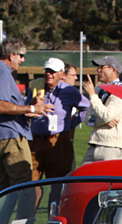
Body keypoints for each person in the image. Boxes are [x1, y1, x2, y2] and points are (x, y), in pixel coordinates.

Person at [0, 38, 50, 202]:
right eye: (21, 56)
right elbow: (0, 106)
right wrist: (31, 109)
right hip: (10, 136)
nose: (23, 60)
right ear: (11, 55)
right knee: (24, 187)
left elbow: (1, 105)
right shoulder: (3, 73)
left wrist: (27, 106)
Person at [27, 57, 87, 202]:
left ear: (61, 74)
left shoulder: (69, 91)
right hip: (35, 141)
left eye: (53, 71)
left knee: (57, 186)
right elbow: (26, 108)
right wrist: (32, 103)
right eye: (47, 71)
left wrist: (71, 124)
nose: (49, 74)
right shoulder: (36, 87)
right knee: (30, 184)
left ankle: (53, 222)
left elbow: (87, 107)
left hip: (59, 142)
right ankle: (27, 220)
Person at [81, 55, 122, 163]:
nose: (98, 70)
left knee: (108, 180)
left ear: (113, 70)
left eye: (102, 67)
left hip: (112, 147)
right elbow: (88, 119)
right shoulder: (100, 91)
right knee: (81, 178)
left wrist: (92, 95)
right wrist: (103, 122)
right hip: (95, 144)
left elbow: (106, 115)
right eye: (98, 67)